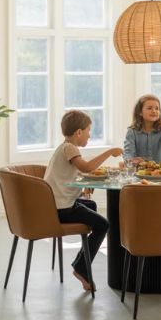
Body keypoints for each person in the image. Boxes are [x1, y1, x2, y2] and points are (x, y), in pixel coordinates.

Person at [44, 110, 123, 291]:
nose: (90, 134)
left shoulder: (64, 148)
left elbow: (67, 177)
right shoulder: (69, 148)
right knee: (103, 224)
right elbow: (86, 168)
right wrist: (110, 152)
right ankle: (81, 267)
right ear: (78, 132)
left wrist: (83, 187)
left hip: (55, 205)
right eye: (88, 130)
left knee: (91, 206)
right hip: (61, 209)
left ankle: (83, 259)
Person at [123, 94, 161, 166]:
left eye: (157, 108)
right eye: (150, 108)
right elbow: (128, 153)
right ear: (140, 112)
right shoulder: (132, 131)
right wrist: (130, 161)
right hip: (138, 173)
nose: (154, 111)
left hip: (160, 173)